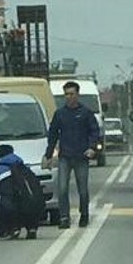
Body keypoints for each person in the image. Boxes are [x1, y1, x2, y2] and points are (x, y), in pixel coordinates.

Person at [44, 80, 100, 229]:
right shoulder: (60, 114)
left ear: (77, 95)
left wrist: (92, 148)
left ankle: (84, 215)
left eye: (71, 94)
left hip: (81, 157)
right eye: (66, 94)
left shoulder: (86, 113)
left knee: (83, 190)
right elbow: (53, 135)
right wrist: (48, 156)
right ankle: (64, 218)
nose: (69, 97)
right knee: (62, 188)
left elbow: (94, 132)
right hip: (65, 157)